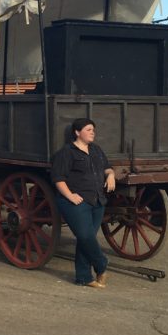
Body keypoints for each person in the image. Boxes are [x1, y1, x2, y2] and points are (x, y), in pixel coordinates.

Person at [51, 117, 116, 288]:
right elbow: (58, 178)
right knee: (85, 235)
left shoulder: (96, 150)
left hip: (97, 200)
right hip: (76, 202)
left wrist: (110, 175)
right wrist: (70, 196)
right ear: (77, 132)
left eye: (93, 129)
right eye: (88, 129)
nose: (92, 132)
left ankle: (84, 277)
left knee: (86, 239)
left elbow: (107, 167)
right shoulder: (67, 152)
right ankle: (102, 265)